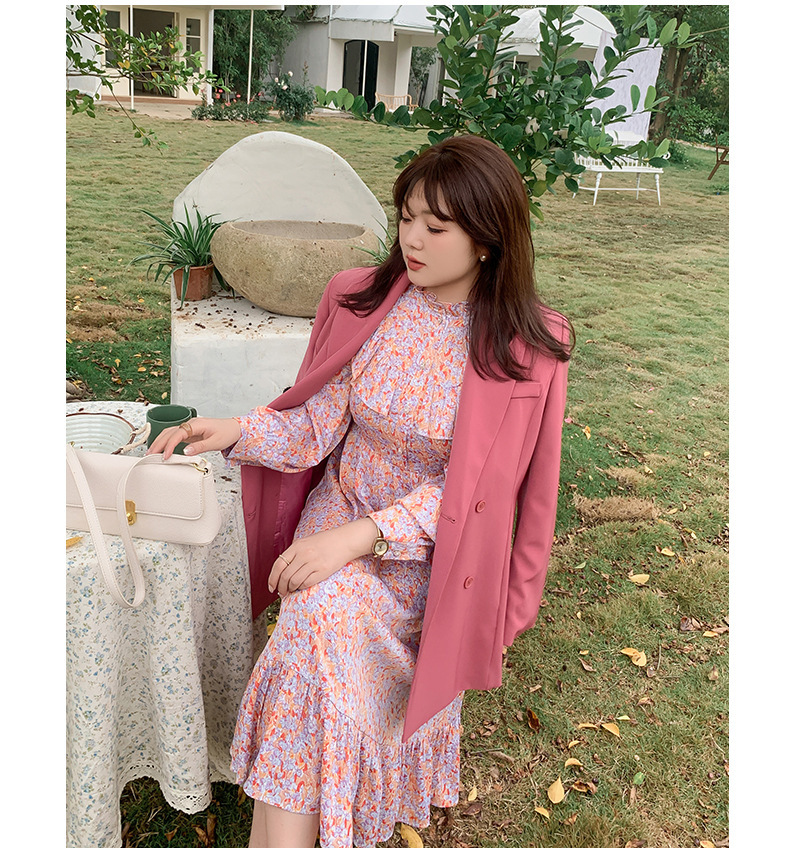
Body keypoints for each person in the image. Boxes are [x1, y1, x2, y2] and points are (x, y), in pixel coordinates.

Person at [149, 134, 573, 849]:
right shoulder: (364, 301)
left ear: (488, 240)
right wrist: (233, 429)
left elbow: (481, 493)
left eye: (436, 227)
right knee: (316, 626)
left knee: (313, 629)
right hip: (336, 518)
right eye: (405, 217)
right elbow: (318, 422)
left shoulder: (527, 349)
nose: (412, 239)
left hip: (426, 561)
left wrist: (360, 538)